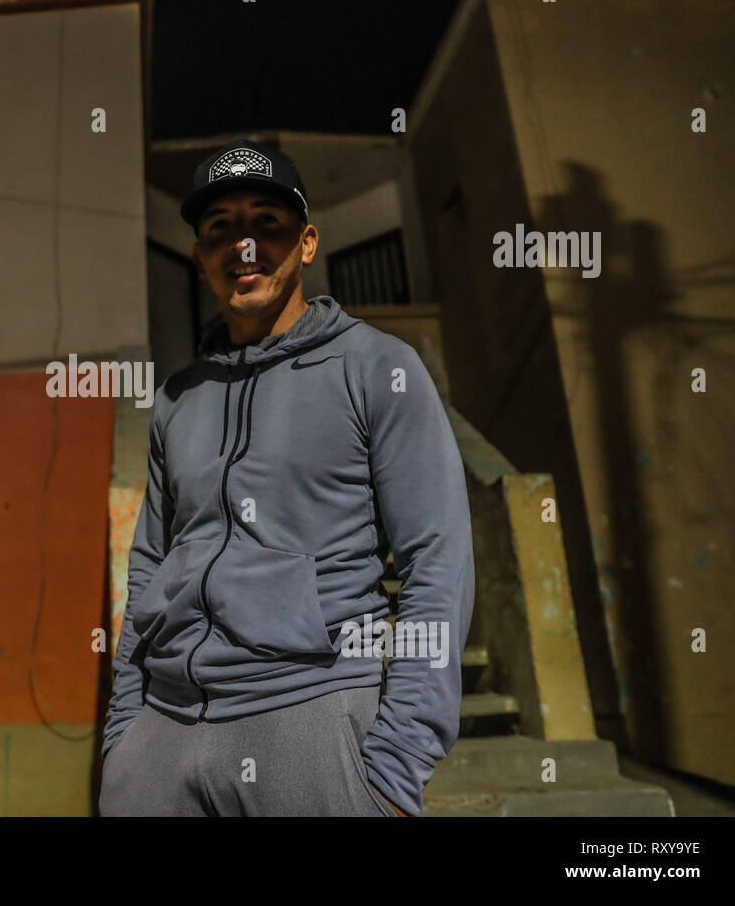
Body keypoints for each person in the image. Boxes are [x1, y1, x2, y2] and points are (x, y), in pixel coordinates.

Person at [99, 139, 474, 816]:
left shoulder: (376, 367)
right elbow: (148, 571)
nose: (243, 245)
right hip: (160, 738)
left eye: (265, 223)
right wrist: (123, 739)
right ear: (199, 256)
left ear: (305, 243)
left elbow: (436, 562)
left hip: (311, 717)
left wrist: (396, 762)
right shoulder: (178, 399)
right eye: (219, 228)